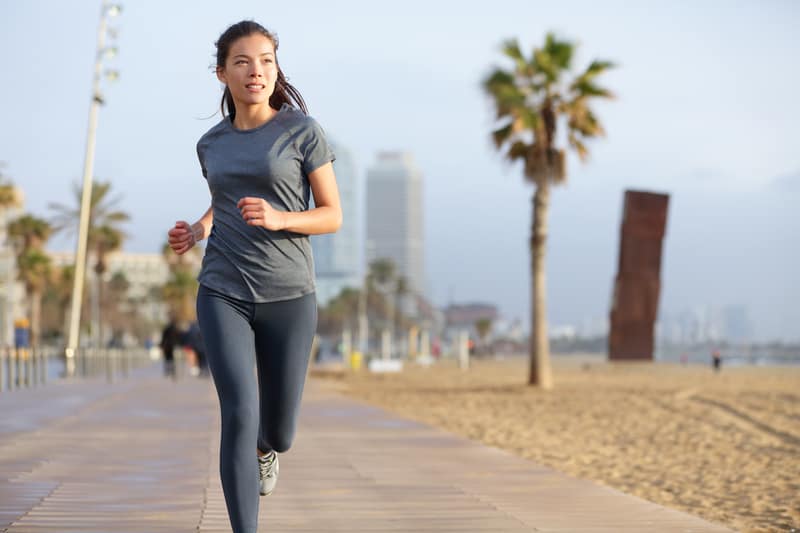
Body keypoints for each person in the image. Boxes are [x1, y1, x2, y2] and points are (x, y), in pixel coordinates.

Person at [167, 20, 341, 533]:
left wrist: (283, 218)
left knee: (278, 429)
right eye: (242, 62)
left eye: (265, 60)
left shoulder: (301, 132)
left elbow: (332, 214)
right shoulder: (211, 145)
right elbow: (223, 204)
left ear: (276, 68)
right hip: (223, 290)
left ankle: (269, 450)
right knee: (239, 412)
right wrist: (198, 230)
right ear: (222, 73)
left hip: (290, 294)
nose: (256, 71)